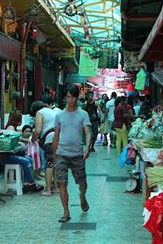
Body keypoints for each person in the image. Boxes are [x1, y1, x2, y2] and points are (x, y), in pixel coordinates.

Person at [53, 84, 92, 223]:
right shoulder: (59, 115)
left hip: (77, 154)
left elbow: (87, 132)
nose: (71, 100)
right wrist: (54, 155)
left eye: (73, 97)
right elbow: (56, 136)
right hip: (61, 154)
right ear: (65, 98)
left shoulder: (83, 114)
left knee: (82, 182)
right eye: (68, 97)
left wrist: (87, 146)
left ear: (77, 98)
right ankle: (66, 211)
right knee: (62, 183)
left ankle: (82, 196)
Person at [0, 111, 44, 192]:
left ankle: (28, 180)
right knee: (26, 161)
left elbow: (17, 139)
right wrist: (22, 146)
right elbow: (11, 144)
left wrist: (26, 140)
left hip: (9, 155)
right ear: (17, 120)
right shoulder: (11, 128)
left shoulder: (12, 128)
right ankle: (29, 183)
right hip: (7, 156)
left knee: (30, 159)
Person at [33, 94, 61, 196]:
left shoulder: (40, 112)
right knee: (56, 163)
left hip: (50, 139)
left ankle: (48, 189)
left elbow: (38, 130)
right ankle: (56, 187)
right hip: (61, 138)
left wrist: (33, 139)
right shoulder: (58, 111)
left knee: (49, 164)